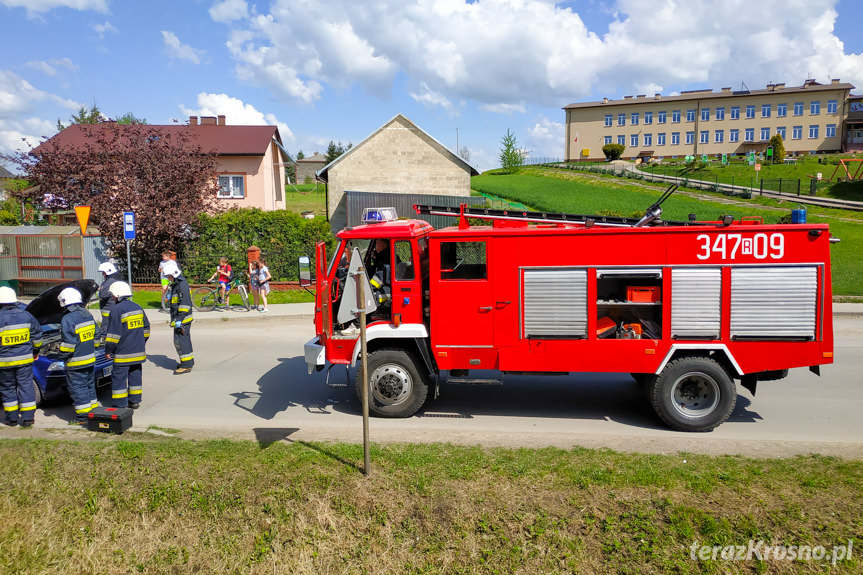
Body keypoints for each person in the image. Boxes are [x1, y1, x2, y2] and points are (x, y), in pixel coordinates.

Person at [0, 286, 43, 428]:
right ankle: (28, 419)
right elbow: (37, 337)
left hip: (4, 362)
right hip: (25, 360)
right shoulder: (26, 316)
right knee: (26, 386)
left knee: (8, 388)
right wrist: (35, 351)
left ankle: (11, 419)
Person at [103, 281, 150, 409]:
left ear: (117, 295)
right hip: (138, 351)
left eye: (112, 294)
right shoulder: (138, 307)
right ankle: (135, 401)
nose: (112, 297)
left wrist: (108, 350)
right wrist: (141, 342)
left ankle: (120, 404)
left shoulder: (116, 310)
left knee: (119, 379)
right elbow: (146, 329)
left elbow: (114, 335)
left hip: (123, 354)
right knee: (135, 376)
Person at [57, 286, 98, 425]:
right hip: (90, 359)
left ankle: (82, 418)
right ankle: (94, 413)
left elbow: (68, 344)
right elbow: (96, 336)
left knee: (78, 389)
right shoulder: (87, 314)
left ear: (64, 301)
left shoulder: (68, 318)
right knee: (89, 386)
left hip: (75, 363)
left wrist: (60, 355)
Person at [164, 261, 194, 375]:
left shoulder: (182, 285)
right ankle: (186, 362)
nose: (168, 278)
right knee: (182, 341)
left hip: (183, 319)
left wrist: (179, 319)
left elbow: (185, 304)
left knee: (181, 341)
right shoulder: (176, 284)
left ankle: (186, 365)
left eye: (169, 276)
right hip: (179, 318)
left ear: (174, 274)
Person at [97, 261, 121, 326]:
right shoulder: (115, 280)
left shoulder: (109, 281)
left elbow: (102, 295)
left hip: (108, 309)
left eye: (103, 272)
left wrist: (99, 292)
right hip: (112, 308)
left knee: (106, 328)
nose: (102, 274)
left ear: (108, 272)